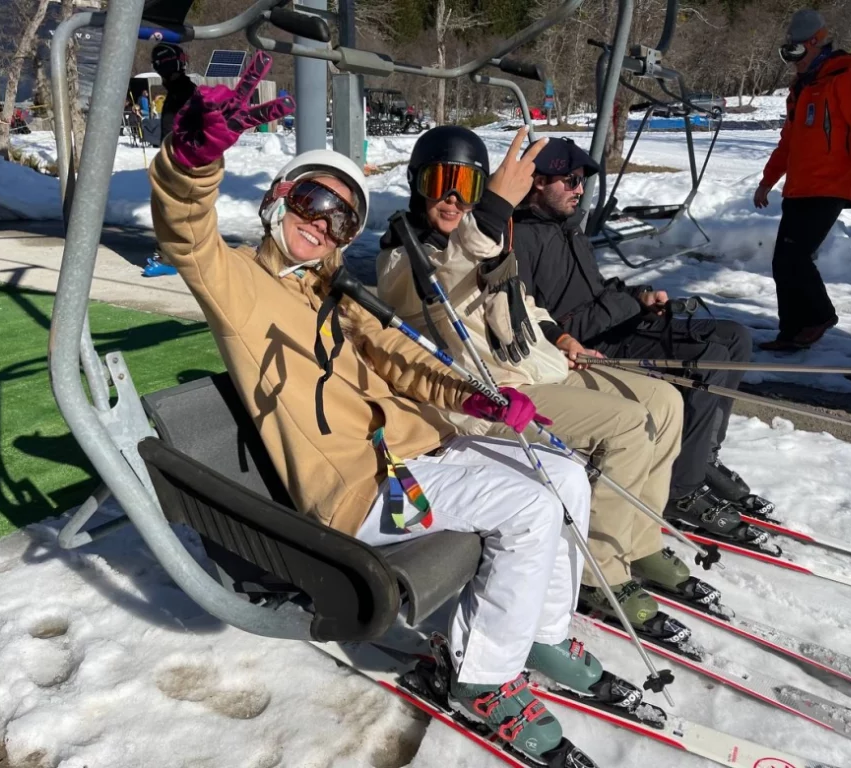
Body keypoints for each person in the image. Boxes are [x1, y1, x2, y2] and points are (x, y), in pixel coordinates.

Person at [149, 52, 634, 767]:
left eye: (340, 219)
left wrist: (478, 397)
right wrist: (191, 164)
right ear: (280, 200)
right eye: (312, 204)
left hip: (418, 452)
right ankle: (484, 679)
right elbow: (185, 231)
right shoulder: (238, 288)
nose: (321, 225)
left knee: (562, 474)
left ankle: (543, 632)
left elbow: (405, 359)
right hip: (365, 490)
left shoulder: (336, 294)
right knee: (528, 511)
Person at [377, 125, 721, 641]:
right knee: (626, 425)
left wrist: (559, 336)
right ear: (416, 183)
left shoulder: (482, 234)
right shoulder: (403, 253)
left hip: (533, 366)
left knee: (665, 400)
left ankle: (637, 539)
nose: (452, 198)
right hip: (485, 395)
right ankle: (599, 570)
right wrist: (490, 209)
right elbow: (442, 282)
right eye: (439, 181)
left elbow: (518, 298)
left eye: (466, 186)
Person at [511, 137, 772, 547]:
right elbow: (529, 314)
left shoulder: (567, 228)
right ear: (538, 182)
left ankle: (701, 458)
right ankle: (680, 489)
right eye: (570, 180)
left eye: (581, 180)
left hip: (618, 324)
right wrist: (620, 311)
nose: (579, 189)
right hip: (591, 345)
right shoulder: (520, 237)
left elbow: (594, 287)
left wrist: (638, 297)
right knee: (707, 358)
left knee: (734, 338)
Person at [755, 9, 851, 351]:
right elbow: (789, 142)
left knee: (795, 258)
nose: (792, 61)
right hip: (799, 188)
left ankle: (819, 316)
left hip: (830, 186)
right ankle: (790, 334)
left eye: (796, 53)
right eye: (787, 54)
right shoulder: (802, 88)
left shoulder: (849, 75)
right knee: (782, 262)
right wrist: (767, 181)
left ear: (816, 43)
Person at [143, 43, 200, 278]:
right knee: (169, 207)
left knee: (173, 209)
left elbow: (193, 126)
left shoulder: (185, 90)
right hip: (174, 157)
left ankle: (171, 257)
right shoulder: (177, 89)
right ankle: (172, 254)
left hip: (183, 159)